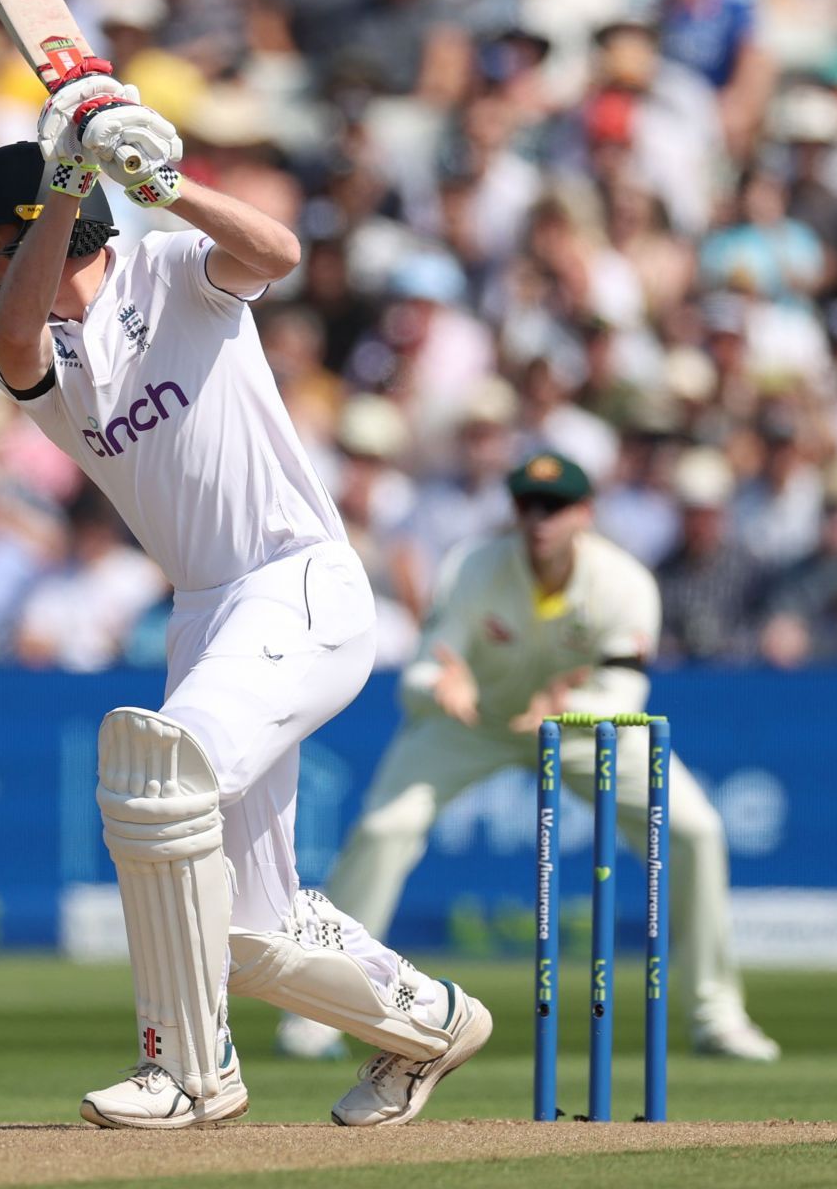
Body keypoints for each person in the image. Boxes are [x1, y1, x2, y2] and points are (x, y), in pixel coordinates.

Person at [0, 74, 490, 1129]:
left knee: (160, 768)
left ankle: (191, 1070)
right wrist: (67, 173)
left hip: (299, 580)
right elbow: (14, 333)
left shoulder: (169, 266)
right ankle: (432, 1020)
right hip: (209, 614)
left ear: (48, 238)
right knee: (246, 928)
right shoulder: (38, 355)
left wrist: (165, 183)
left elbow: (277, 254)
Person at [277, 452, 780, 1063]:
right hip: (475, 725)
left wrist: (565, 712)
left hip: (584, 731)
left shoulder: (624, 583)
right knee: (386, 828)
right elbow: (425, 670)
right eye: (527, 505)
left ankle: (716, 1013)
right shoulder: (474, 567)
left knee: (694, 829)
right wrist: (442, 685)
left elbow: (626, 695)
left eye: (556, 506)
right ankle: (323, 1016)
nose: (539, 519)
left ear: (585, 513)